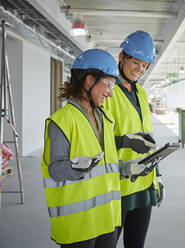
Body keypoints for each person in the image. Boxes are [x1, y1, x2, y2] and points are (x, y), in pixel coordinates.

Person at [41, 49, 122, 248]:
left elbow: (107, 165)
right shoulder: (61, 121)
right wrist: (76, 168)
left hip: (106, 218)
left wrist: (128, 168)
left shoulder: (104, 118)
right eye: (109, 84)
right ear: (89, 80)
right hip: (78, 225)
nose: (111, 93)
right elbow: (55, 169)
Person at [103, 30, 163, 248]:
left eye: (145, 65)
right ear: (122, 57)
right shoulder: (108, 92)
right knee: (108, 243)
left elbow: (148, 136)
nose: (140, 70)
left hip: (144, 182)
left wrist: (157, 175)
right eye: (135, 62)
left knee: (136, 244)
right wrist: (125, 142)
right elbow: (97, 138)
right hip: (118, 185)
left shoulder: (142, 93)